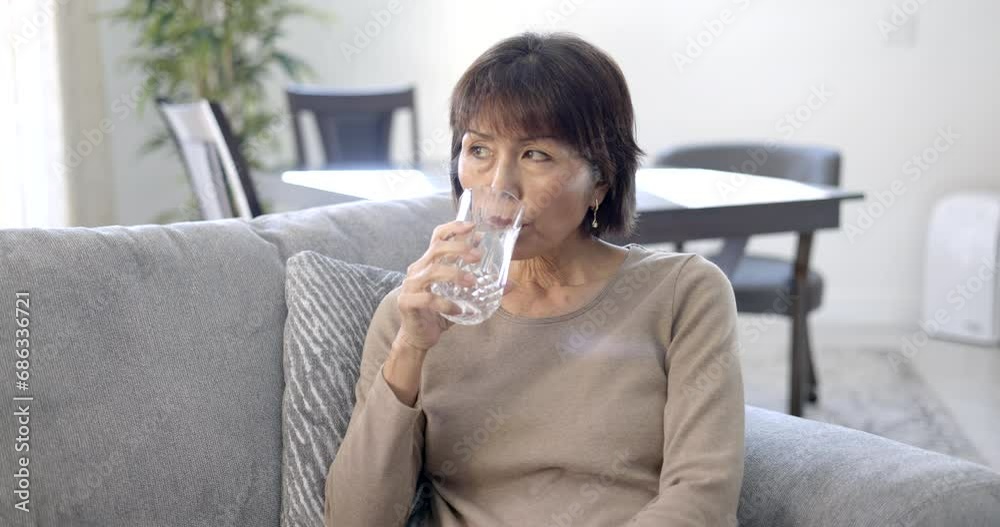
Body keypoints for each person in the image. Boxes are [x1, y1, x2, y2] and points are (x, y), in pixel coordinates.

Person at [326, 32, 744, 527]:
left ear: (601, 181)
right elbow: (355, 521)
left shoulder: (683, 293)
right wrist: (410, 350)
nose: (498, 184)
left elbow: (701, 500)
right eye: (478, 149)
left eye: (536, 155)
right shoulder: (413, 314)